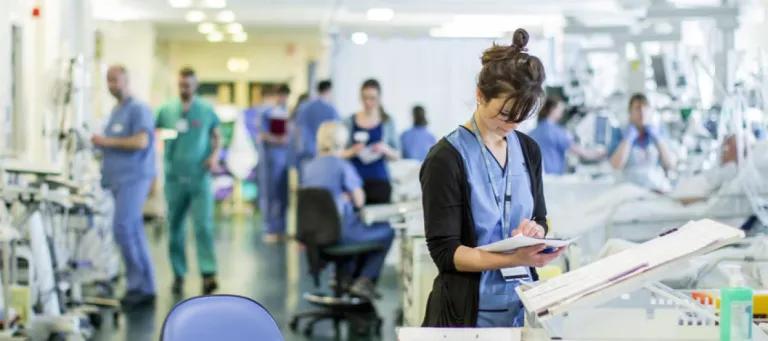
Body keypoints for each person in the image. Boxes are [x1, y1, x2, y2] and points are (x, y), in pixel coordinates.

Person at [420, 29, 565, 327]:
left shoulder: (528, 150)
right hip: (465, 314)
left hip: (521, 306)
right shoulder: (446, 158)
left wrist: (535, 231)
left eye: (521, 116)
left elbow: (540, 216)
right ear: (479, 95)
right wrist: (516, 259)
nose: (512, 124)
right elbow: (446, 253)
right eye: (505, 114)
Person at [302, 121, 394, 300]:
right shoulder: (342, 166)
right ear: (342, 141)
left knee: (354, 225)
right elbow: (360, 201)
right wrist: (349, 197)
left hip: (314, 235)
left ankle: (343, 279)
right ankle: (364, 280)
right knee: (387, 231)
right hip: (340, 233)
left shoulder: (309, 167)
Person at [91, 65, 157, 308]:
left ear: (127, 81)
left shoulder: (138, 109)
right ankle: (144, 286)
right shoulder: (116, 110)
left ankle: (137, 285)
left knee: (123, 228)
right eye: (108, 80)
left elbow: (141, 141)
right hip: (119, 180)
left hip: (133, 178)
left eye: (116, 80)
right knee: (133, 230)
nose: (111, 85)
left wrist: (105, 141)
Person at [156, 67, 220, 295]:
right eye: (182, 85)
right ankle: (178, 274)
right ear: (178, 84)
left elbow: (216, 136)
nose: (185, 88)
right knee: (175, 227)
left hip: (200, 175)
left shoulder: (205, 109)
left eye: (189, 85)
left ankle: (208, 273)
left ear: (196, 84)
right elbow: (156, 134)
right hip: (174, 176)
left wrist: (213, 157)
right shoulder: (166, 110)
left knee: (203, 225)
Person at [342, 79, 400, 204]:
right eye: (365, 98)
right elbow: (339, 154)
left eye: (372, 98)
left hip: (380, 182)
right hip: (354, 184)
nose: (368, 102)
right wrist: (353, 151)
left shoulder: (388, 122)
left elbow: (397, 155)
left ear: (379, 98)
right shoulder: (349, 121)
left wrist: (385, 149)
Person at [609, 93, 676, 192]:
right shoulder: (620, 132)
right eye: (637, 108)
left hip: (656, 187)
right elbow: (616, 165)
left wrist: (658, 139)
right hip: (629, 189)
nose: (642, 112)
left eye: (646, 108)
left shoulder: (659, 132)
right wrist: (627, 140)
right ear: (630, 112)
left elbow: (670, 164)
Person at [529, 97, 606, 175]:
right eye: (560, 110)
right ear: (552, 109)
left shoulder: (533, 132)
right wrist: (599, 154)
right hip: (553, 177)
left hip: (537, 177)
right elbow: (580, 152)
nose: (562, 113)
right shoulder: (556, 132)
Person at [258, 84, 292, 243]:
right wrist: (278, 139)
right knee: (271, 194)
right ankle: (270, 228)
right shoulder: (267, 113)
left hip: (286, 158)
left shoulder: (290, 114)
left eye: (285, 95)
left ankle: (282, 228)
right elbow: (262, 134)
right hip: (272, 159)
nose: (283, 99)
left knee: (284, 195)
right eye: (280, 95)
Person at [293, 80, 340, 168]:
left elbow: (298, 129)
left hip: (306, 151)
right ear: (328, 90)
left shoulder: (304, 107)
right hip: (323, 153)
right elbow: (336, 131)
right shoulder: (331, 110)